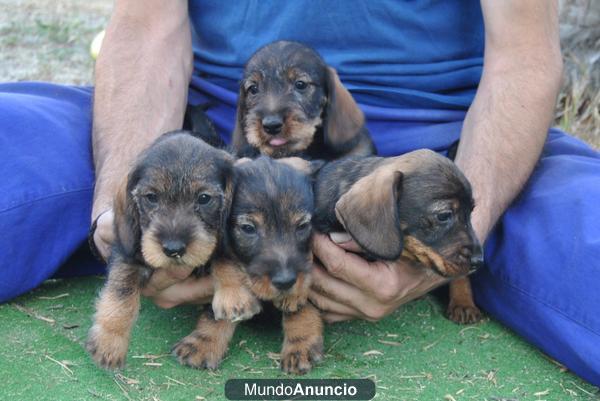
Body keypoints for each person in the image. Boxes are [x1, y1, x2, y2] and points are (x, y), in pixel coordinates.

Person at [0, 0, 598, 385]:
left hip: (451, 141)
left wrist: (459, 224)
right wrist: (122, 204)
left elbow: (522, 58)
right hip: (206, 132)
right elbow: (148, 25)